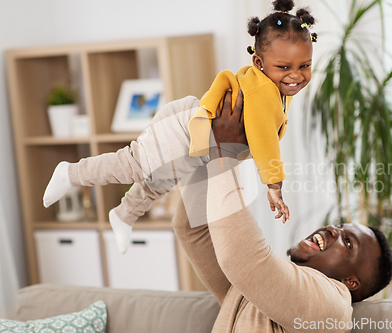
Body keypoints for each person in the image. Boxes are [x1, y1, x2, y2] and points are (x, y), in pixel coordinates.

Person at [42, 0, 318, 253]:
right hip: (181, 128)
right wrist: (273, 185)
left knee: (159, 182)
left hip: (201, 143)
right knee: (133, 164)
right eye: (284, 67)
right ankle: (71, 173)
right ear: (259, 62)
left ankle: (124, 215)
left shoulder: (276, 87)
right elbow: (263, 136)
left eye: (304, 65)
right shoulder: (263, 91)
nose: (296, 75)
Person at [173, 89, 392, 332]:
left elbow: (244, 261)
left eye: (349, 242)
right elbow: (192, 228)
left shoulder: (333, 306)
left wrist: (224, 153)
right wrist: (215, 147)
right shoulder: (263, 286)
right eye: (340, 227)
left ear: (350, 282)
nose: (332, 229)